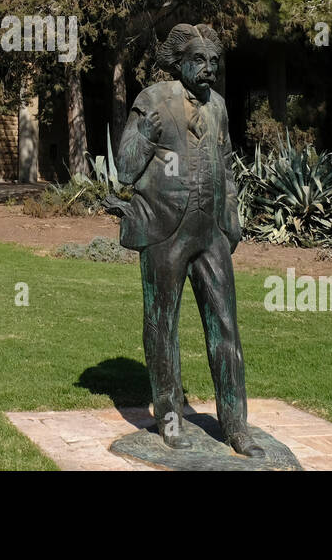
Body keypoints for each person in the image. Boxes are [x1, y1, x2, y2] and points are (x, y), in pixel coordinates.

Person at [114, 23, 263, 458]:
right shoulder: (153, 100)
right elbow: (125, 168)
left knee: (226, 328)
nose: (208, 69)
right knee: (163, 326)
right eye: (198, 61)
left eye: (213, 62)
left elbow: (228, 162)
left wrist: (231, 218)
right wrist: (147, 132)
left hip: (211, 231)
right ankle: (169, 418)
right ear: (177, 63)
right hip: (165, 229)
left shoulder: (217, 105)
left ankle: (236, 425)